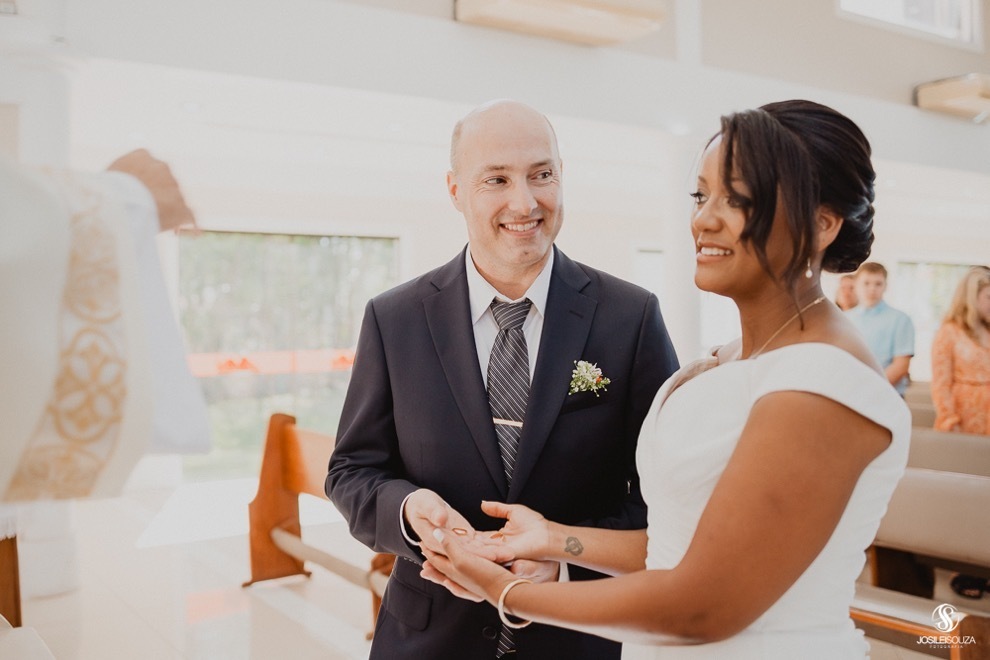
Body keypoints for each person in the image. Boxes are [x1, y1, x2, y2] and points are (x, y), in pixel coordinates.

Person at [420, 100, 911, 659]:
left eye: (740, 199)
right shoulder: (736, 358)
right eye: (702, 196)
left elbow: (699, 604)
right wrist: (553, 538)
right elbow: (679, 547)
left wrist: (505, 590)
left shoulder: (823, 380)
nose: (705, 219)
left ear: (822, 224)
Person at [326, 100, 679, 659]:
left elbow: (670, 495)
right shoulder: (394, 318)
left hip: (575, 636)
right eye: (497, 179)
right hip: (428, 637)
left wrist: (565, 562)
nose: (525, 201)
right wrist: (409, 511)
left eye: (542, 175)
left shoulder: (630, 317)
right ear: (455, 190)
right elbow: (352, 470)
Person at [930, 266, 990, 599]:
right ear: (972, 296)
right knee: (967, 499)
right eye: (988, 296)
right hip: (965, 422)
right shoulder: (950, 332)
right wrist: (950, 422)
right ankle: (964, 568)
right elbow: (941, 382)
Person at [846, 262, 915, 395]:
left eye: (878, 284)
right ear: (856, 285)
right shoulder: (844, 319)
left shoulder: (901, 319)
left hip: (887, 395)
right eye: (866, 283)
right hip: (850, 394)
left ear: (885, 286)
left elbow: (900, 366)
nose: (872, 289)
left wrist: (869, 391)